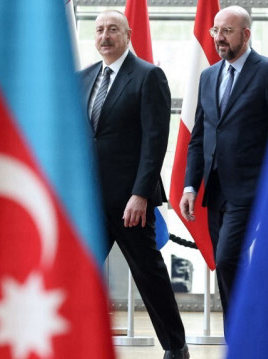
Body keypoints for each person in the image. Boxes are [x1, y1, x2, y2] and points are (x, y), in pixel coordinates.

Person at [78, 10, 189, 359]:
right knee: (76, 275)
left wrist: (140, 193)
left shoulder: (148, 76)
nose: (104, 36)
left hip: (130, 202)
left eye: (113, 29)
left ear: (127, 35)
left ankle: (176, 346)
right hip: (88, 201)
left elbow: (154, 141)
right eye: (99, 30)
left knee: (149, 276)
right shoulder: (82, 78)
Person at [180, 5, 268, 335]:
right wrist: (189, 187)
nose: (219, 38)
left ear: (246, 34)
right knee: (226, 266)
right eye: (216, 31)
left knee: (228, 259)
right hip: (215, 190)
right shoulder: (208, 76)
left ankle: (249, 333)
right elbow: (199, 137)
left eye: (227, 31)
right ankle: (241, 338)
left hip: (251, 188)